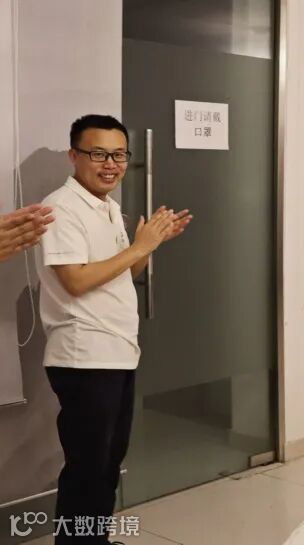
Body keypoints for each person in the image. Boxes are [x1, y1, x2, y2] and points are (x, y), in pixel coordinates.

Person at [37, 114, 192, 544]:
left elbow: (120, 273)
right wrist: (140, 246)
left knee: (107, 462)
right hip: (84, 355)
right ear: (74, 155)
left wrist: (148, 247)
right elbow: (76, 280)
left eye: (119, 155)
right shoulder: (61, 208)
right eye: (99, 154)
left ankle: (96, 540)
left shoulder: (106, 206)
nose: (111, 164)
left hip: (117, 351)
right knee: (87, 466)